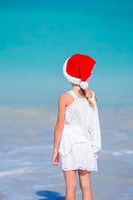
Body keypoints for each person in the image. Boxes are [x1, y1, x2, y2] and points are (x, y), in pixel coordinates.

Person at [52, 53, 102, 200]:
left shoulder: (65, 97)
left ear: (67, 75)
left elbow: (59, 126)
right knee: (86, 186)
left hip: (70, 145)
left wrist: (55, 149)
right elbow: (92, 121)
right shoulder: (92, 95)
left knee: (70, 186)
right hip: (86, 144)